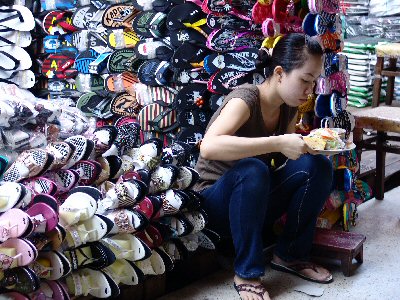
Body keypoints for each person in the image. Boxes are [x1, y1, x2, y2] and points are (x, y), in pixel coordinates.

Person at [193, 33, 334, 300]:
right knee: (253, 170)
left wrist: (305, 148)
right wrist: (278, 141)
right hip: (215, 204)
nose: (310, 90)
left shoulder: (288, 107)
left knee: (318, 166)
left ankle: (290, 254)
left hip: (253, 200)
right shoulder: (245, 100)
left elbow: (282, 161)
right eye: (305, 80)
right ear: (280, 73)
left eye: (314, 82)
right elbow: (208, 146)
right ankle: (246, 271)